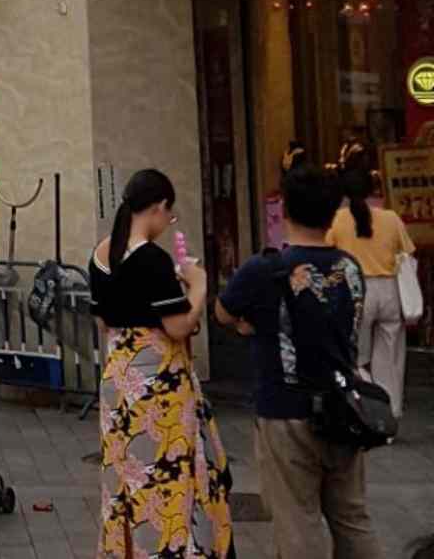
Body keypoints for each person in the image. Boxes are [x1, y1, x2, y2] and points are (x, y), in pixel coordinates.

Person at [218, 164, 381, 559]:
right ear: (332, 215)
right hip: (345, 407)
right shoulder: (349, 268)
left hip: (285, 409)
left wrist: (250, 325)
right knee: (351, 517)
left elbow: (224, 312)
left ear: (285, 212)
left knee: (298, 520)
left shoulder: (264, 268)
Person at [87, 168, 232, 559]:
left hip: (118, 378)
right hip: (158, 385)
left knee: (123, 477)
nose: (168, 224)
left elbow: (102, 320)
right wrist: (198, 285)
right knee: (165, 479)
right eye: (169, 216)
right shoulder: (152, 259)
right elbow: (179, 324)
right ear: (158, 207)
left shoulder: (101, 254)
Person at [327, 165, 416, 413]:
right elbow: (407, 253)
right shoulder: (391, 218)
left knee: (355, 358)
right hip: (389, 291)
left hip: (355, 292)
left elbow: (327, 254)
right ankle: (390, 415)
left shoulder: (337, 220)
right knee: (390, 361)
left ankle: (364, 411)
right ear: (372, 189)